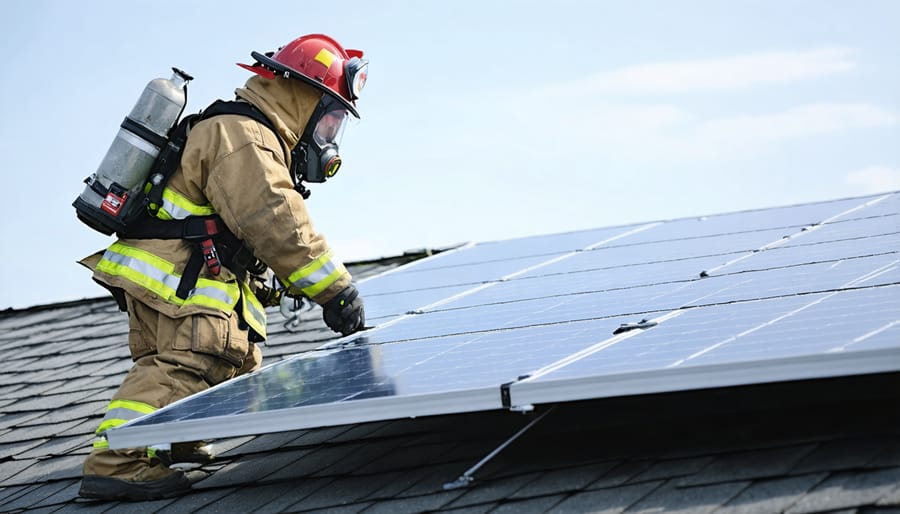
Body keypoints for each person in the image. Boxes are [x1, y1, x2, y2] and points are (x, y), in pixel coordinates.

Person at [77, 33, 368, 501]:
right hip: (177, 275)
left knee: (228, 359)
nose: (330, 137)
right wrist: (335, 289)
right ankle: (118, 462)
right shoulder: (245, 135)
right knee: (193, 358)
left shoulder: (249, 132)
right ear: (303, 96)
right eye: (330, 120)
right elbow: (274, 218)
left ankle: (172, 438)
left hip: (179, 272)